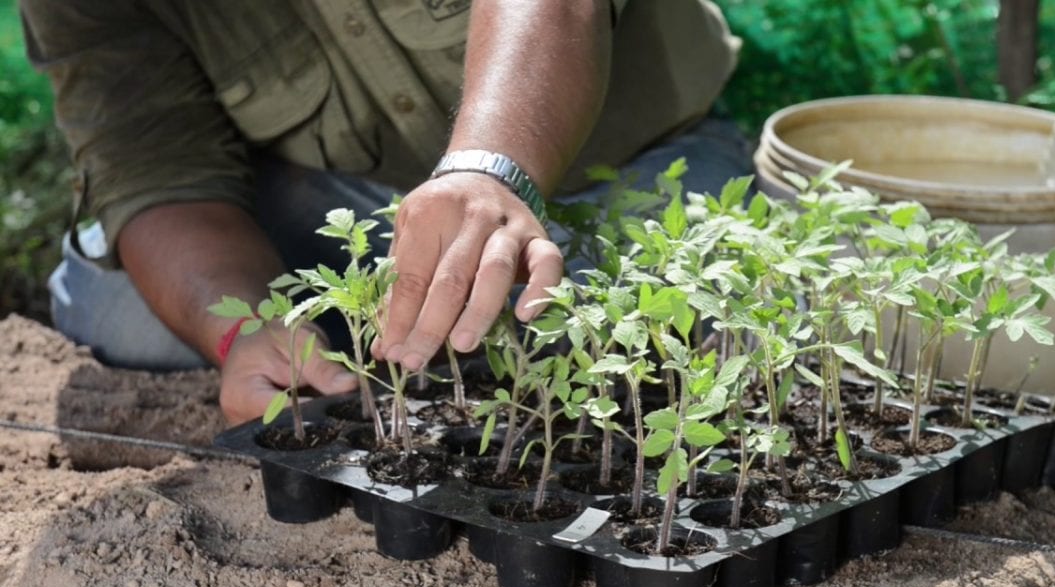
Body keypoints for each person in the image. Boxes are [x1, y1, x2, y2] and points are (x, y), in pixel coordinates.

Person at [20, 0, 750, 425]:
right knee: (117, 306)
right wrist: (242, 331)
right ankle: (414, 329)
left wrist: (492, 170)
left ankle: (454, 323)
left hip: (620, 168)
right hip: (349, 202)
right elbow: (152, 162)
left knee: (694, 313)